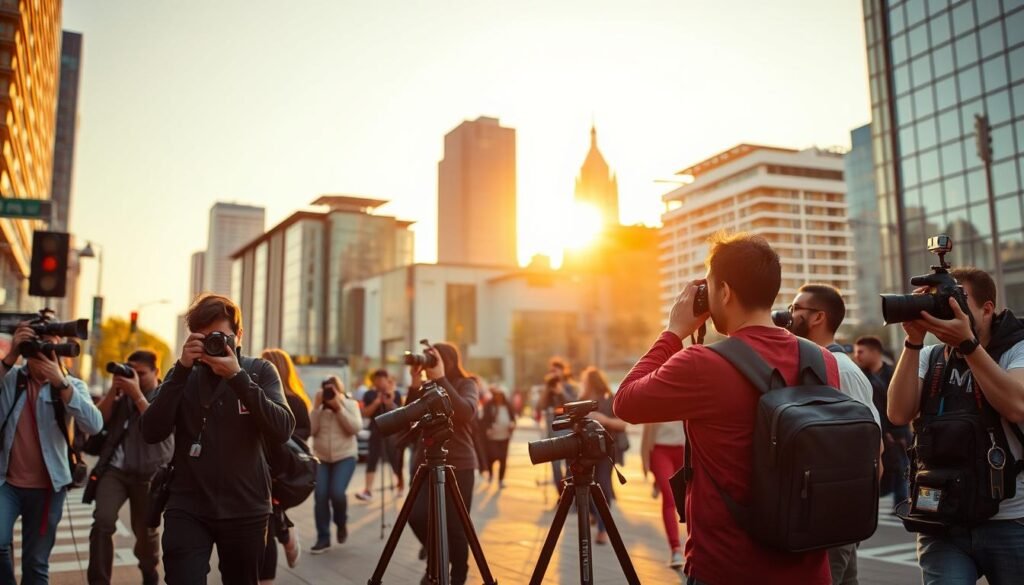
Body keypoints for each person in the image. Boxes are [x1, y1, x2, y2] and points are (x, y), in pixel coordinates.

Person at [613, 231, 839, 585]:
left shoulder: (703, 364)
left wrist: (673, 331)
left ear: (724, 292)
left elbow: (625, 402)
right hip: (809, 568)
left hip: (728, 568)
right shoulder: (823, 360)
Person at [141, 294, 295, 585]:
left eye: (221, 336)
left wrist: (238, 377)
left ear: (238, 335)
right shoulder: (181, 375)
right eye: (204, 336)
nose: (214, 344)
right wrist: (181, 371)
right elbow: (151, 431)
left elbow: (283, 428)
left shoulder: (259, 371)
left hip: (246, 508)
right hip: (187, 506)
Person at [887, 267, 1024, 584]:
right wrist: (913, 341)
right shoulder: (932, 355)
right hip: (941, 518)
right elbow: (897, 412)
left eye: (955, 301)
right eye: (940, 302)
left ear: (987, 308)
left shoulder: (1017, 349)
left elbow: (1015, 406)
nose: (946, 310)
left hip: (1012, 519)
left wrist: (968, 345)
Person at [787, 283, 882, 585]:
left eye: (796, 309)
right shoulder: (812, 364)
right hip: (817, 516)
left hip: (833, 518)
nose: (789, 315)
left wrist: (849, 515)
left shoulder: (843, 369)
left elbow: (872, 448)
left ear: (818, 317)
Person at [0, 319, 103, 583]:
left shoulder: (71, 386)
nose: (45, 356)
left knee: (36, 563)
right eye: (39, 349)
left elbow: (94, 424)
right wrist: (11, 354)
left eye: (53, 351)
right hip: (6, 484)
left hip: (48, 488)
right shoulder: (11, 378)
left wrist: (62, 383)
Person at [88, 349, 174, 585]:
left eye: (140, 373)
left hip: (150, 474)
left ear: (156, 372)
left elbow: (160, 427)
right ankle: (99, 580)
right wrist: (113, 392)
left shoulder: (164, 394)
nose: (134, 377)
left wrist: (136, 395)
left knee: (146, 536)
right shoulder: (121, 395)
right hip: (115, 470)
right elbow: (97, 422)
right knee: (103, 521)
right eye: (130, 372)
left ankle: (149, 572)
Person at [406, 342, 479, 585]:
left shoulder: (467, 384)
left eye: (432, 360)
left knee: (456, 527)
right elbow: (409, 418)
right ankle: (437, 562)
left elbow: (465, 412)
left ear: (446, 360)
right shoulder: (426, 387)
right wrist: (416, 387)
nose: (427, 366)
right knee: (416, 515)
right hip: (426, 461)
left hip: (459, 464)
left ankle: (457, 574)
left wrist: (442, 379)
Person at [258, 348, 312, 584]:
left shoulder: (292, 401)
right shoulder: (258, 396)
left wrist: (280, 435)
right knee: (266, 519)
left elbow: (304, 433)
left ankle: (267, 578)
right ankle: (286, 530)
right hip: (267, 468)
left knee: (265, 526)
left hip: (276, 470)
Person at [854, 335, 909, 506]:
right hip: (873, 432)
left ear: (874, 352)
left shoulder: (893, 374)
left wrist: (897, 432)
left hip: (896, 433)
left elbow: (903, 403)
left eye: (861, 352)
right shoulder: (860, 375)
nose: (857, 356)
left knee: (901, 469)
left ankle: (901, 503)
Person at [309, 375, 361, 554]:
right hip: (321, 457)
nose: (329, 393)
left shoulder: (350, 405)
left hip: (345, 456)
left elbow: (355, 428)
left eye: (333, 389)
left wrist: (339, 408)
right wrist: (316, 407)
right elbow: (311, 430)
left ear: (340, 390)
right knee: (321, 495)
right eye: (326, 390)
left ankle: (341, 522)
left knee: (337, 492)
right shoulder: (319, 408)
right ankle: (323, 538)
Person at [578, 366, 627, 546]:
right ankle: (593, 514)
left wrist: (603, 420)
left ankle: (602, 529)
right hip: (584, 452)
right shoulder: (581, 401)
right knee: (586, 487)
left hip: (606, 451)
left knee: (603, 486)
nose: (583, 385)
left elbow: (623, 424)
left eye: (585, 382)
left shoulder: (610, 400)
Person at [641, 420, 685, 568]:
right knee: (670, 497)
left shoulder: (688, 396)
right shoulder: (657, 398)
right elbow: (647, 433)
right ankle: (676, 549)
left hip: (684, 451)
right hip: (660, 451)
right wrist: (645, 462)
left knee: (689, 499)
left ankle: (696, 548)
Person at [355, 369, 404, 501]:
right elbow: (365, 413)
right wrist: (377, 401)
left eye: (384, 380)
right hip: (375, 430)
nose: (381, 383)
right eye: (378, 380)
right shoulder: (369, 394)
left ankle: (400, 485)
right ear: (374, 381)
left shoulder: (396, 394)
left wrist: (389, 402)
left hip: (392, 432)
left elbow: (400, 414)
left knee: (395, 459)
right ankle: (368, 490)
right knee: (372, 458)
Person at [535, 357, 579, 493]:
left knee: (569, 464)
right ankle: (561, 493)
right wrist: (547, 389)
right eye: (551, 371)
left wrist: (561, 392)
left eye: (556, 370)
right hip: (552, 430)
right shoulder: (548, 387)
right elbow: (540, 406)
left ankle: (568, 493)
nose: (554, 373)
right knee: (555, 466)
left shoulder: (570, 386)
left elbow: (574, 404)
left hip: (567, 428)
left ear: (562, 371)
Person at [480, 386, 515, 488]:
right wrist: (488, 428)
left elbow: (513, 418)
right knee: (492, 457)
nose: (499, 398)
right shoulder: (489, 406)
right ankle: (491, 475)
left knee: (503, 459)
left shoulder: (507, 406)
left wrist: (512, 424)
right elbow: (484, 420)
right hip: (493, 437)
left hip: (505, 436)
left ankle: (500, 480)